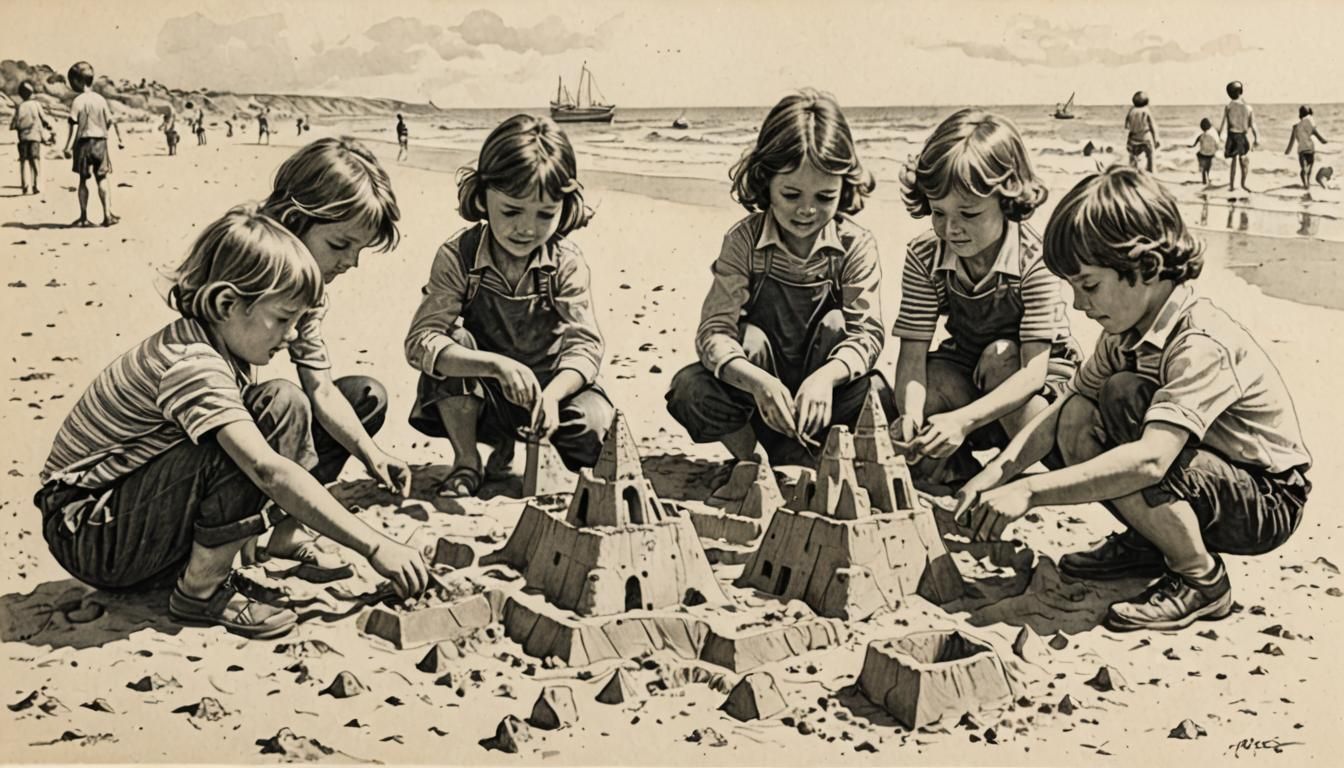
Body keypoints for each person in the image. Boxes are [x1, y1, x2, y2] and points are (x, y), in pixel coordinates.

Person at [34, 206, 430, 639]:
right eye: (283, 319)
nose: (294, 335)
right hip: (87, 530)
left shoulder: (215, 344)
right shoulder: (193, 364)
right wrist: (375, 545)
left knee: (282, 403)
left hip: (122, 517)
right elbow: (267, 470)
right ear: (227, 303)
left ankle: (207, 565)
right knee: (257, 434)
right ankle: (200, 592)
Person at [954, 166, 1311, 632]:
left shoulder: (1199, 342)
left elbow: (1149, 463)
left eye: (1089, 285)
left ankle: (1202, 580)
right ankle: (1151, 542)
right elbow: (1067, 408)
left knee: (1127, 411)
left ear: (1145, 267)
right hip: (1198, 470)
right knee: (1082, 411)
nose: (1081, 306)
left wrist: (1029, 491)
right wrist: (996, 473)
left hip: (1265, 497)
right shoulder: (1124, 332)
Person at [665, 89, 889, 473]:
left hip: (825, 398)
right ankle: (753, 463)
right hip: (758, 403)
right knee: (693, 386)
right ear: (766, 181)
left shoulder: (856, 244)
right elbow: (714, 332)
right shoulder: (743, 241)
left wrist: (824, 379)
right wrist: (756, 381)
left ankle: (818, 456)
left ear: (844, 188)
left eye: (824, 197)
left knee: (878, 388)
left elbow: (867, 336)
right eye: (791, 194)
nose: (806, 209)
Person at [405, 115, 613, 497]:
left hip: (551, 391)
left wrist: (552, 396)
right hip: (483, 396)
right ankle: (468, 460)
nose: (527, 229)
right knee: (452, 337)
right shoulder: (458, 255)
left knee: (595, 430)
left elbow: (586, 346)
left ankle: (532, 448)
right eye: (512, 211)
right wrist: (496, 366)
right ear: (483, 197)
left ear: (564, 208)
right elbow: (421, 341)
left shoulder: (566, 262)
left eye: (545, 214)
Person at [890, 109, 1080, 490]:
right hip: (968, 372)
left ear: (1007, 200)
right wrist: (910, 417)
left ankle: (1012, 472)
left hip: (1037, 386)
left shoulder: (1034, 257)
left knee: (1000, 356)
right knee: (924, 386)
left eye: (969, 213)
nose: (951, 229)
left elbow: (1032, 372)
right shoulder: (925, 255)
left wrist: (963, 420)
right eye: (938, 213)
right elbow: (912, 356)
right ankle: (956, 468)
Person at [249, 136, 412, 566]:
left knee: (364, 397)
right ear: (292, 220)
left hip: (253, 428)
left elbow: (320, 388)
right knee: (283, 400)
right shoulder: (246, 269)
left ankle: (286, 532)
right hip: (204, 438)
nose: (350, 263)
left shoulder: (310, 293)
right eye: (340, 245)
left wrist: (373, 456)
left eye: (359, 250)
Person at [60, 61, 123, 227]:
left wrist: (67, 146)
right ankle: (107, 215)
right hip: (100, 142)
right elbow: (110, 121)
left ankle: (83, 216)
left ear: (78, 82)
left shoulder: (78, 101)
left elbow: (73, 126)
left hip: (83, 143)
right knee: (102, 178)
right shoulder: (100, 100)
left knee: (83, 180)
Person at [9, 79, 53, 195]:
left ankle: (25, 185)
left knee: (23, 162)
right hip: (35, 137)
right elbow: (44, 119)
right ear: (31, 93)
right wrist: (48, 126)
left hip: (23, 138)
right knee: (35, 161)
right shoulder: (36, 105)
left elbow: (14, 124)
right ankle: (36, 185)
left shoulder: (20, 107)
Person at [1218, 81, 1258, 193]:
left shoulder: (1229, 106)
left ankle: (1231, 185)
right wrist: (1256, 138)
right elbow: (1253, 125)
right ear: (1241, 91)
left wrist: (1219, 135)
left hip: (1232, 136)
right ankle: (1243, 184)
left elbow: (1223, 124)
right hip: (1242, 136)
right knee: (1244, 161)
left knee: (1234, 162)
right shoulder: (1248, 107)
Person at [1285, 106, 1328, 190]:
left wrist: (1288, 151)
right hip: (1304, 151)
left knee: (1307, 171)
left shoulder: (1298, 127)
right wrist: (1324, 141)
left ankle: (1307, 186)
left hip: (1309, 151)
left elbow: (1292, 141)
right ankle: (1306, 185)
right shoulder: (1299, 127)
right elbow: (1320, 138)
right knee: (1305, 169)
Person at [1124, 91, 1160, 173]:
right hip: (1145, 139)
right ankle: (1151, 172)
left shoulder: (1131, 111)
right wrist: (1155, 140)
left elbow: (1126, 126)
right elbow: (1152, 126)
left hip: (1133, 140)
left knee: (1133, 159)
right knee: (1150, 156)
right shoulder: (1146, 111)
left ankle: (1132, 174)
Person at [1190, 118, 1219, 186]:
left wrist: (1191, 146)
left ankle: (1203, 174)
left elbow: (1194, 144)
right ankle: (1208, 176)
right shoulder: (1213, 135)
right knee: (1208, 165)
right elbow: (1217, 144)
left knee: (1200, 157)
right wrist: (1214, 151)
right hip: (1211, 154)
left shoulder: (1201, 136)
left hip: (1203, 154)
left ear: (1201, 127)